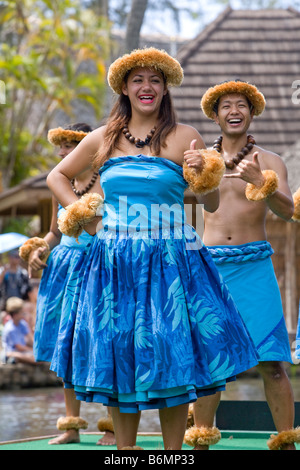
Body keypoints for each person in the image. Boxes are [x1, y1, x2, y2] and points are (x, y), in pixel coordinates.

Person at [46, 47, 258, 451]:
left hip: (171, 260)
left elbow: (209, 206)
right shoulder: (103, 138)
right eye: (138, 80)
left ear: (165, 88)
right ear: (125, 88)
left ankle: (172, 454)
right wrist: (83, 215)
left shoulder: (186, 137)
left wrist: (202, 175)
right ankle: (125, 452)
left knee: (170, 349)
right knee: (121, 349)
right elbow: (57, 175)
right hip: (114, 261)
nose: (147, 86)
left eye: (155, 80)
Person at [184, 79, 298, 451]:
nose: (234, 111)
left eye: (241, 105)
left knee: (273, 361)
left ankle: (285, 441)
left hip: (254, 267)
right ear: (215, 116)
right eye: (226, 106)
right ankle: (199, 442)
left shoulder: (270, 161)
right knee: (210, 361)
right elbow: (191, 218)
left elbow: (289, 212)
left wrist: (261, 183)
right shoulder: (201, 158)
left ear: (252, 113)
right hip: (212, 268)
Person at [19, 123, 115, 447]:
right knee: (66, 347)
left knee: (102, 342)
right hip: (65, 270)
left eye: (70, 146)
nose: (62, 153)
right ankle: (72, 426)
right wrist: (40, 248)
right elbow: (54, 233)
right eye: (60, 147)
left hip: (97, 268)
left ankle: (112, 426)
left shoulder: (107, 182)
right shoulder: (60, 184)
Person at [2, 297, 35, 364]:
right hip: (12, 352)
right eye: (21, 312)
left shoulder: (22, 323)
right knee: (34, 359)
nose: (23, 314)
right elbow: (19, 347)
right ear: (15, 315)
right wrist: (32, 350)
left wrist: (35, 347)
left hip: (22, 351)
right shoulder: (10, 328)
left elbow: (30, 338)